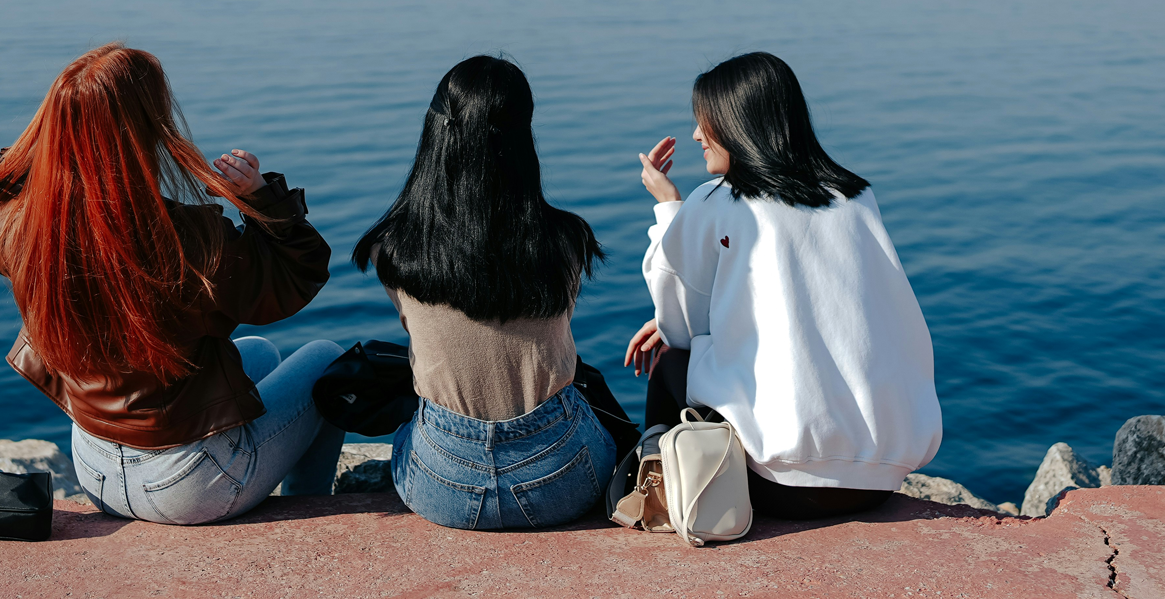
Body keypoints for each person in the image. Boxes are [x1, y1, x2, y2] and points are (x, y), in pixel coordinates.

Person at [0, 44, 344, 525]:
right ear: (149, 126)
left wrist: (3, 176)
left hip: (96, 472)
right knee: (327, 361)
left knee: (259, 352)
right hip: (188, 487)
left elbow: (15, 214)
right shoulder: (188, 241)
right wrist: (260, 200)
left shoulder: (21, 225)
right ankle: (316, 509)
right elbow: (293, 279)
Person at [624, 52, 941, 520]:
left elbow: (679, 328)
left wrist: (669, 209)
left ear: (739, 122)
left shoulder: (718, 201)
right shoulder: (854, 197)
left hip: (777, 486)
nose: (696, 135)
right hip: (880, 481)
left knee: (670, 363)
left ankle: (664, 494)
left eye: (704, 122)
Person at [353, 56, 614, 530]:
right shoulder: (566, 239)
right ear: (522, 137)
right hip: (562, 479)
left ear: (436, 131)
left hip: (440, 485)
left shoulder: (390, 248)